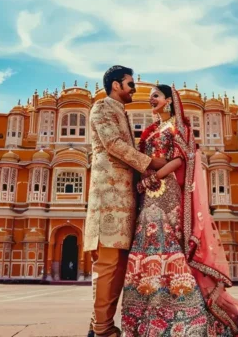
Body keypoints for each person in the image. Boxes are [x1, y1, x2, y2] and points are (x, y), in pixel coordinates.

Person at [120, 84, 238, 337]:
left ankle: (183, 317)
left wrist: (154, 178)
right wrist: (144, 178)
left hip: (167, 193)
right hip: (147, 195)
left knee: (168, 245)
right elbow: (143, 159)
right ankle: (146, 315)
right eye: (150, 96)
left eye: (156, 95)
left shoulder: (180, 128)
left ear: (169, 100)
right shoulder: (150, 131)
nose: (150, 99)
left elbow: (181, 159)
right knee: (146, 244)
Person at [85, 65, 166, 337]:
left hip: (123, 200)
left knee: (117, 265)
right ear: (117, 85)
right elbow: (113, 145)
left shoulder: (121, 112)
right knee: (108, 264)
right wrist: (151, 163)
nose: (134, 89)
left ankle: (98, 324)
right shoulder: (102, 107)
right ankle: (103, 330)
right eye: (130, 84)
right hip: (108, 200)